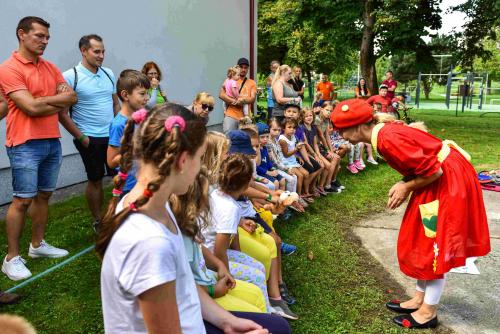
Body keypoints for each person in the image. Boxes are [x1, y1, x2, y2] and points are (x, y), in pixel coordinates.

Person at [97, 103, 287, 334]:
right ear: (183, 161)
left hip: (195, 317)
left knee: (278, 327)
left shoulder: (158, 206)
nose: (200, 169)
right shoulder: (149, 244)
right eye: (199, 158)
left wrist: (226, 321)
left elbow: (185, 284)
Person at [331, 99, 491, 329]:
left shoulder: (387, 139)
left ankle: (428, 311)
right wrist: (407, 182)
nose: (341, 136)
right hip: (438, 179)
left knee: (433, 245)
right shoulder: (383, 135)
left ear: (357, 126)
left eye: (341, 130)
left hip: (446, 181)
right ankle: (419, 298)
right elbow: (421, 165)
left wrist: (405, 187)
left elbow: (434, 171)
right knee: (423, 239)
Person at [0, 16, 77, 281]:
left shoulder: (50, 67)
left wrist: (41, 100)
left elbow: (72, 97)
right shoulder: (9, 68)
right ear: (22, 34)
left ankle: (37, 246)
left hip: (50, 140)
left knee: (44, 196)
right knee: (22, 200)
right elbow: (29, 108)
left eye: (47, 37)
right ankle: (11, 258)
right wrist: (50, 101)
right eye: (39, 36)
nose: (45, 41)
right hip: (24, 143)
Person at [59, 34, 119, 230]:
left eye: (103, 51)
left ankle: (120, 214)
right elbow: (63, 113)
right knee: (95, 179)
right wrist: (82, 137)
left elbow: (115, 103)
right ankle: (98, 220)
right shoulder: (70, 76)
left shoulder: (108, 73)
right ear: (83, 51)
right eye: (96, 51)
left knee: (119, 175)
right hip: (89, 138)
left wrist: (120, 128)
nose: (101, 55)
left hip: (113, 136)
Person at [106, 70, 150, 201]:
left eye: (147, 93)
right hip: (129, 187)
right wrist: (135, 151)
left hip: (145, 180)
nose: (147, 98)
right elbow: (111, 161)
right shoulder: (118, 124)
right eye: (142, 94)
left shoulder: (142, 116)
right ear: (125, 95)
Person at [219, 57, 257, 133]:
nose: (243, 69)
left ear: (248, 69)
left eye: (245, 68)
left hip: (245, 118)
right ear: (237, 67)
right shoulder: (230, 79)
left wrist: (242, 101)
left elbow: (253, 98)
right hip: (230, 115)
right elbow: (221, 95)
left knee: (243, 141)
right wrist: (234, 101)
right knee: (229, 139)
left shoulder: (252, 82)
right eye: (241, 67)